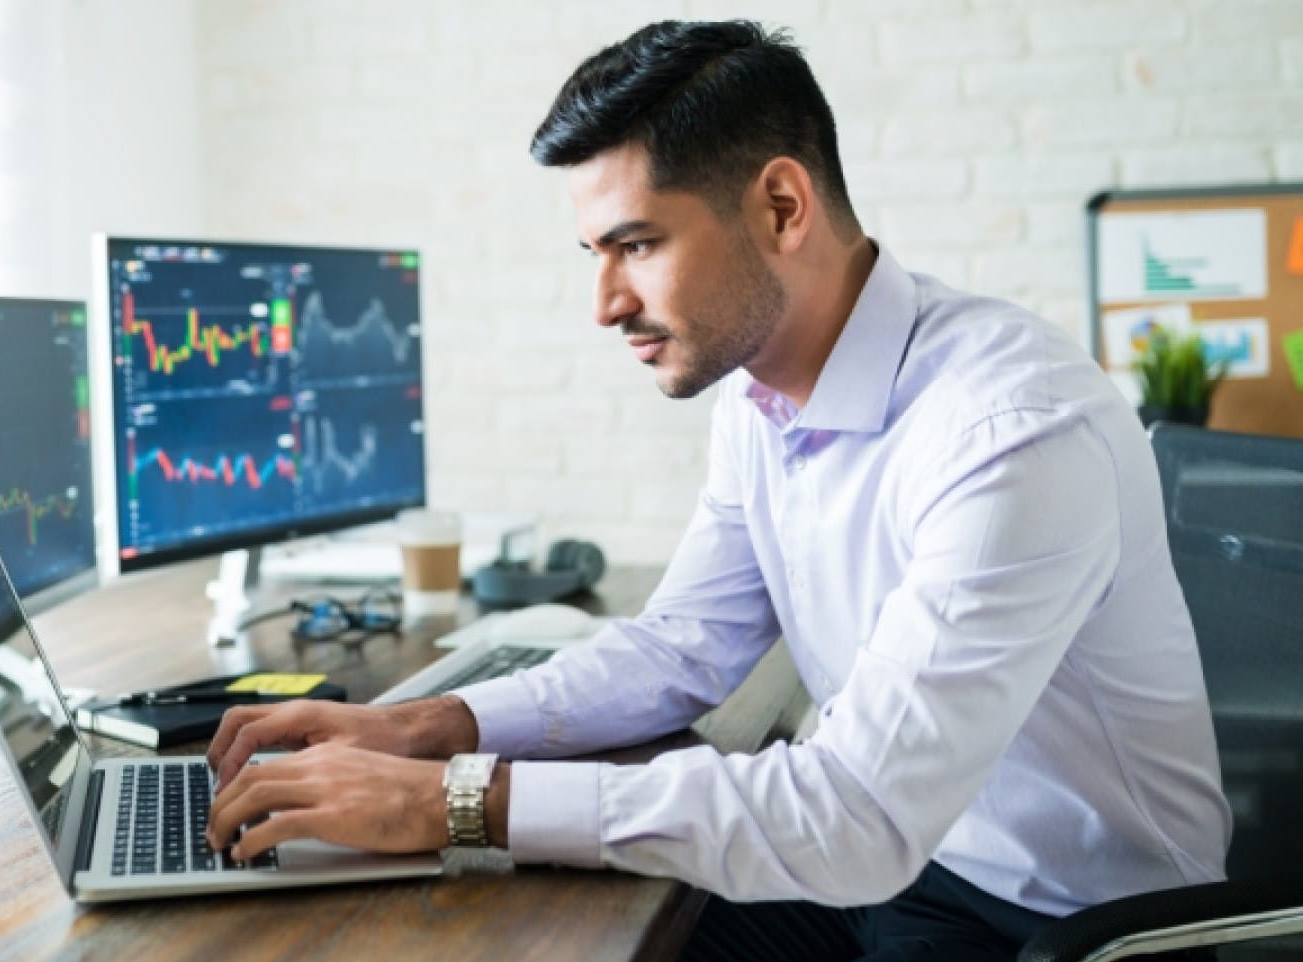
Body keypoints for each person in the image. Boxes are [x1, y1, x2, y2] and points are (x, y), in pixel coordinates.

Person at [204, 20, 1230, 961]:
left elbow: (855, 815)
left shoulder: (1009, 430)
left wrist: (456, 800)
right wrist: (430, 725)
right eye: (593, 254)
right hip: (904, 867)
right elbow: (682, 647)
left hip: (1066, 923)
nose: (604, 302)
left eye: (637, 245)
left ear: (781, 206)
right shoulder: (761, 398)